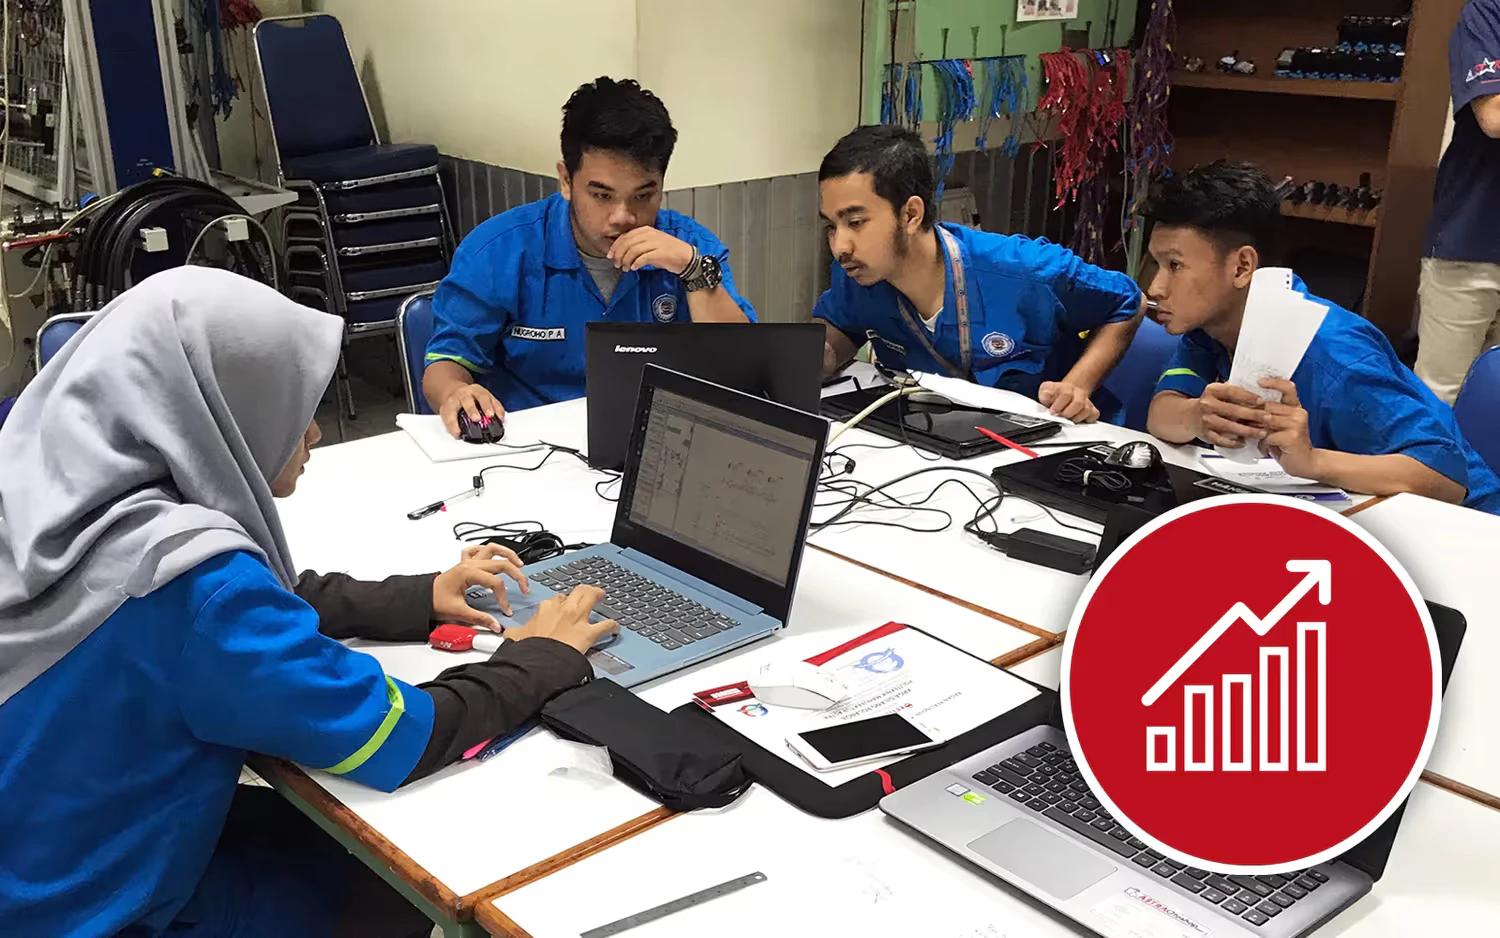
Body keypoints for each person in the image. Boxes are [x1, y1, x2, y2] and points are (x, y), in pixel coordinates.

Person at [0, 267, 619, 937]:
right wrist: (543, 659)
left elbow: (244, 611)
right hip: (94, 916)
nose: (316, 435)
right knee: (415, 874)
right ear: (218, 411)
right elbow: (397, 736)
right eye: (298, 412)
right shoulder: (192, 589)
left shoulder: (51, 507)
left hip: (35, 862)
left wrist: (418, 598)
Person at [1143, 161, 1500, 513]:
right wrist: (1198, 417)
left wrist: (1313, 461)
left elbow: (1446, 481)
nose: (1155, 287)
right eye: (1156, 265)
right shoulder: (1213, 325)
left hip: (1466, 532)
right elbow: (1161, 414)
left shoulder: (1336, 355)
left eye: (1175, 266)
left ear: (1241, 267)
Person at [423, 77, 755, 434]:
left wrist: (692, 271)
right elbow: (445, 362)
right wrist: (456, 392)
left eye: (644, 196)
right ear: (566, 180)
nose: (623, 217)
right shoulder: (500, 250)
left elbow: (742, 373)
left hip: (657, 441)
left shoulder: (689, 248)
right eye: (602, 195)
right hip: (532, 452)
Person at [812, 125, 1145, 424]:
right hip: (942, 437)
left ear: (911, 215)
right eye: (831, 226)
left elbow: (1130, 301)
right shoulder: (858, 275)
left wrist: (1076, 387)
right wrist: (810, 357)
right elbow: (838, 330)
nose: (840, 246)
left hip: (1052, 445)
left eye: (855, 223)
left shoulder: (1026, 270)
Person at [1416, 0, 1500, 403]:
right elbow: (1495, 116)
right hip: (1473, 240)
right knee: (1439, 401)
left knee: (1494, 410)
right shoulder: (1487, 12)